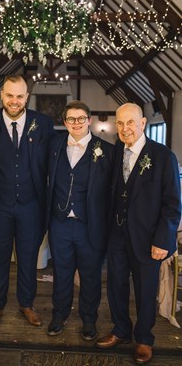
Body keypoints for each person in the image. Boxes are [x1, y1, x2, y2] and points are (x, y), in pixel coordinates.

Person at [97, 103, 181, 364]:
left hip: (148, 238)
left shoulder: (163, 156)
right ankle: (120, 329)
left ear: (143, 123)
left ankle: (144, 338)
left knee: (145, 289)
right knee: (116, 286)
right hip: (117, 235)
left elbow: (172, 204)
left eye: (130, 122)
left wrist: (162, 240)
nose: (125, 129)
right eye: (120, 124)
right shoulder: (114, 153)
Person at [0, 74, 56, 331]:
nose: (14, 101)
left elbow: (51, 163)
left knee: (28, 258)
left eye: (20, 96)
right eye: (10, 95)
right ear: (2, 95)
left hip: (32, 205)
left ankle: (26, 304)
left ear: (27, 97)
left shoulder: (42, 123)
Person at [46, 100, 114, 340]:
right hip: (60, 223)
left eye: (81, 118)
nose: (76, 123)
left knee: (91, 275)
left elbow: (112, 192)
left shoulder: (107, 151)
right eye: (71, 119)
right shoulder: (53, 145)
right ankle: (59, 314)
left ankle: (89, 319)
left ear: (90, 120)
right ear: (65, 122)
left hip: (91, 225)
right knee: (61, 273)